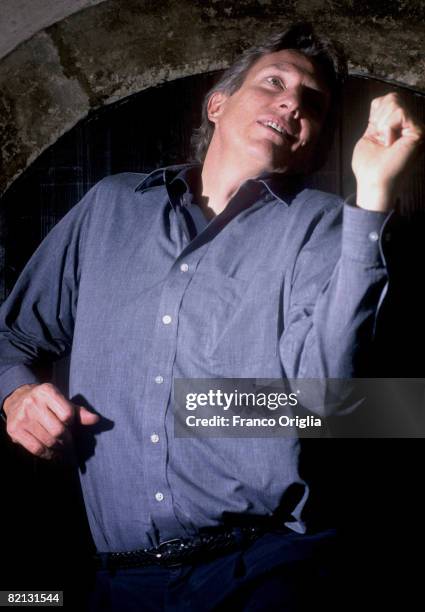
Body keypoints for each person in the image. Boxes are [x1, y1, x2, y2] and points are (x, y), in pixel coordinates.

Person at [0, 22, 423, 611]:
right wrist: (15, 395)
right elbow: (11, 336)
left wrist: (372, 194)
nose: (290, 102)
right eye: (273, 82)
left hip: (265, 569)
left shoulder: (325, 227)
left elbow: (328, 403)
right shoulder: (110, 207)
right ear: (217, 105)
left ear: (316, 142)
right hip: (115, 581)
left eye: (312, 103)